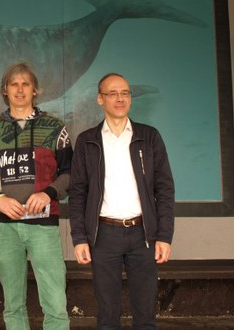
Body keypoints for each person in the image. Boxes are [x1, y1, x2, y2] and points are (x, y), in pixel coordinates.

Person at [69, 72, 175, 329]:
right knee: (107, 313)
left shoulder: (149, 137)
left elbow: (165, 189)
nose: (120, 98)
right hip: (104, 235)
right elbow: (78, 193)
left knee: (146, 313)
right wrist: (79, 238)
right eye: (113, 93)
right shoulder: (87, 141)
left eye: (125, 93)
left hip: (144, 234)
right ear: (100, 99)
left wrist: (164, 235)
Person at [0, 61, 72, 330]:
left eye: (25, 84)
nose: (19, 89)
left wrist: (49, 193)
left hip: (43, 225)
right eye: (13, 84)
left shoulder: (54, 127)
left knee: (55, 302)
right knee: (13, 304)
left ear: (35, 90)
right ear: (5, 90)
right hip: (4, 227)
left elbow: (70, 172)